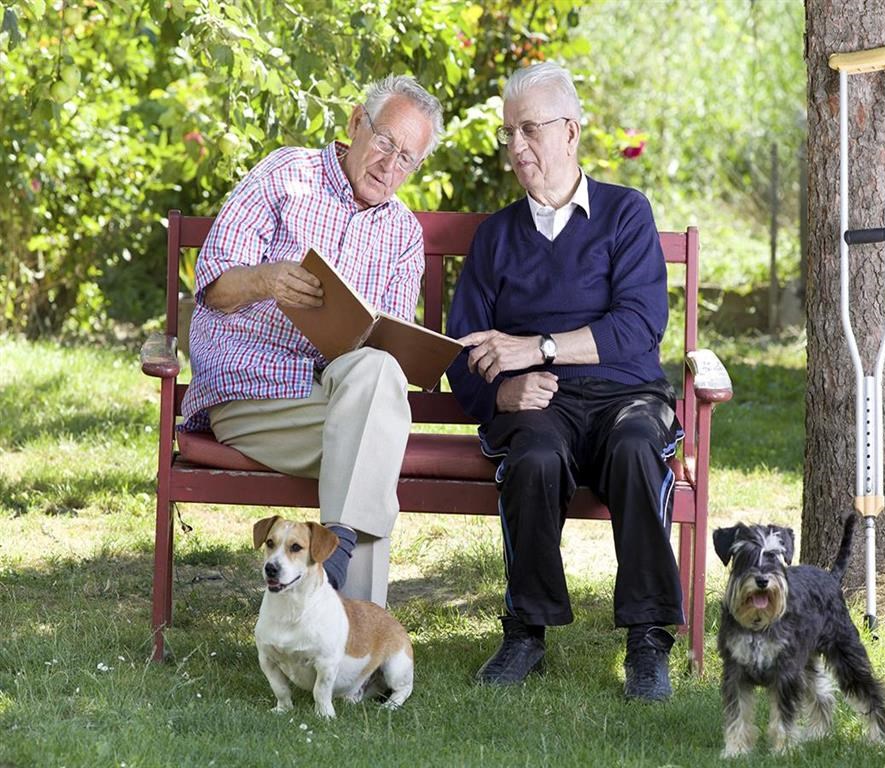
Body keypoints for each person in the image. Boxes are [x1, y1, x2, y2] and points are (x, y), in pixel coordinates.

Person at [446, 62, 685, 702]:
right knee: (534, 457)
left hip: (624, 396)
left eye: (529, 130)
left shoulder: (625, 214)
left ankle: (647, 640)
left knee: (638, 450)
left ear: (570, 132)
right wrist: (500, 392)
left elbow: (639, 324)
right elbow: (460, 346)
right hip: (536, 405)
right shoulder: (495, 237)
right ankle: (526, 631)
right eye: (509, 134)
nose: (516, 147)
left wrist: (540, 347)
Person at [180, 75, 444, 597]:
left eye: (407, 158)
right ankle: (357, 647)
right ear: (355, 123)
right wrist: (267, 279)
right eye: (386, 142)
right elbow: (210, 285)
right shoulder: (287, 175)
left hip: (335, 401)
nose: (391, 166)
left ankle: (337, 550)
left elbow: (383, 354)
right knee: (373, 443)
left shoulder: (403, 235)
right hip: (255, 397)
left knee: (376, 390)